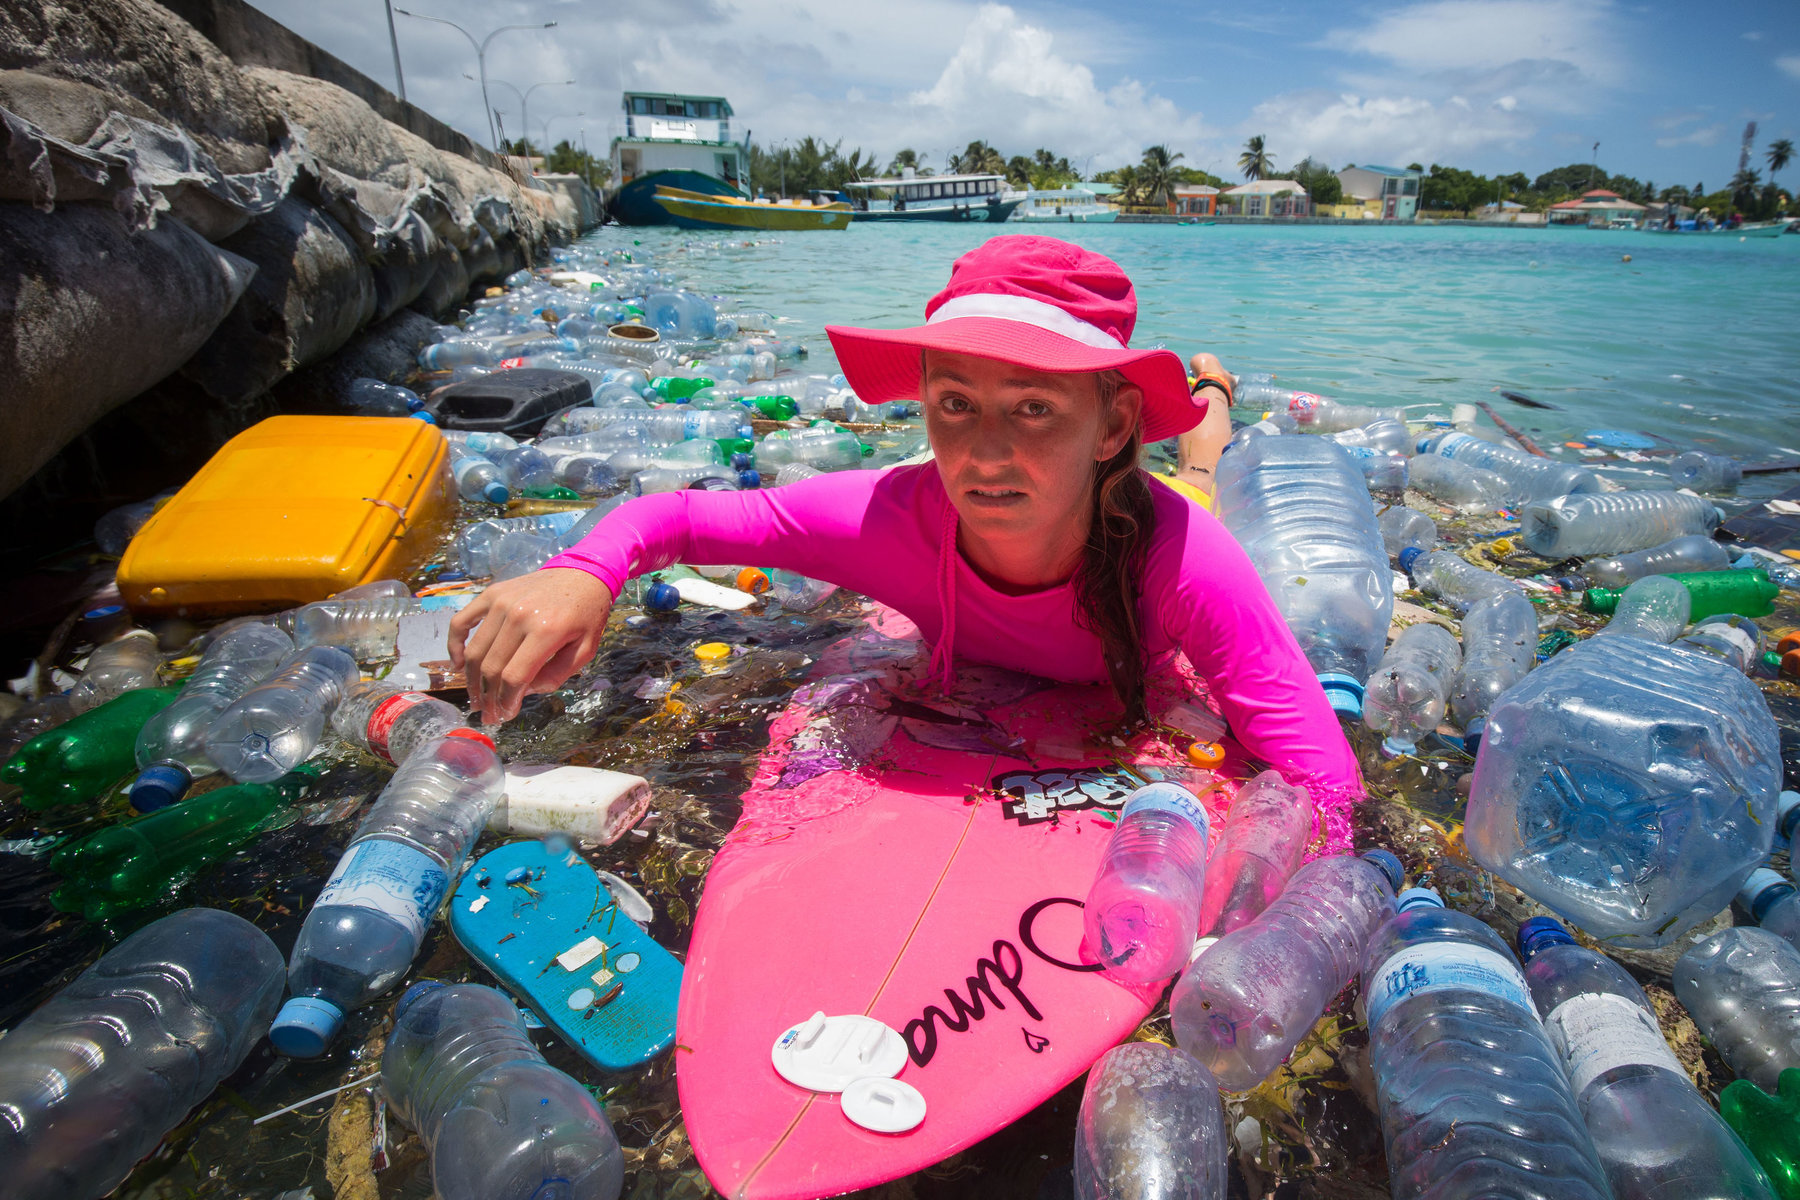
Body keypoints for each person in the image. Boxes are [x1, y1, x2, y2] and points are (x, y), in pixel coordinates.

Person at [448, 236, 1364, 847]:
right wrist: (581, 573)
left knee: (1201, 472)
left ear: (1116, 420)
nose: (987, 453)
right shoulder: (884, 518)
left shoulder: (1181, 563)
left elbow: (1330, 789)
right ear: (923, 400)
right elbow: (673, 518)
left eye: (1036, 408)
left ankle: (1210, 396)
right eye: (956, 403)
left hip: (1164, 505)